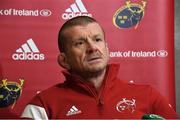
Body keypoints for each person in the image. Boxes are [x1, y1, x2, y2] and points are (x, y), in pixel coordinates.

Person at [21, 16, 177, 119]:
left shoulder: (148, 96)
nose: (92, 48)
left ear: (106, 49)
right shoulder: (43, 104)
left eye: (97, 39)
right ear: (64, 60)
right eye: (80, 43)